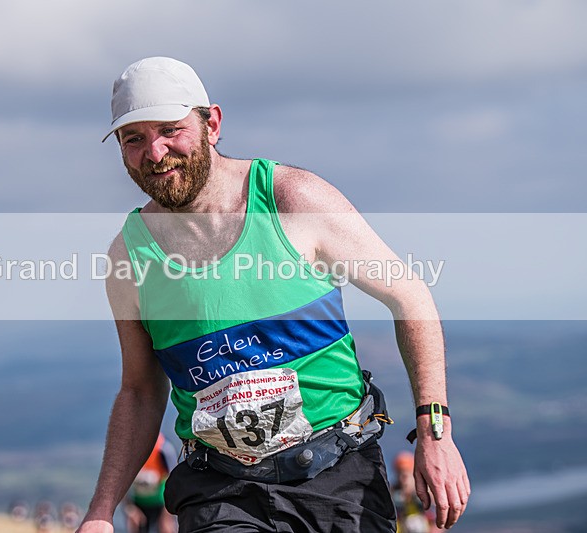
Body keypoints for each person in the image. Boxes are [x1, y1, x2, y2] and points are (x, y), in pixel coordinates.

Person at [78, 57, 469, 532]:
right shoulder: (129, 257)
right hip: (219, 492)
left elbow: (409, 297)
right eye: (133, 139)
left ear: (212, 124)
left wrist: (435, 434)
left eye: (170, 130)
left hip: (337, 476)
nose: (155, 153)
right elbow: (140, 390)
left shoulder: (293, 200)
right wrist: (100, 514)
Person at [124, 432, 178, 533]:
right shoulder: (129, 451)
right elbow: (121, 484)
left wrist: (167, 515)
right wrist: (130, 509)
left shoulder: (163, 450)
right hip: (139, 506)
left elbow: (174, 482)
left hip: (161, 506)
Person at [391, 451, 442, 533]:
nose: (403, 479)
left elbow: (439, 516)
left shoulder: (426, 492)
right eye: (399, 474)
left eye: (406, 475)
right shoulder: (392, 492)